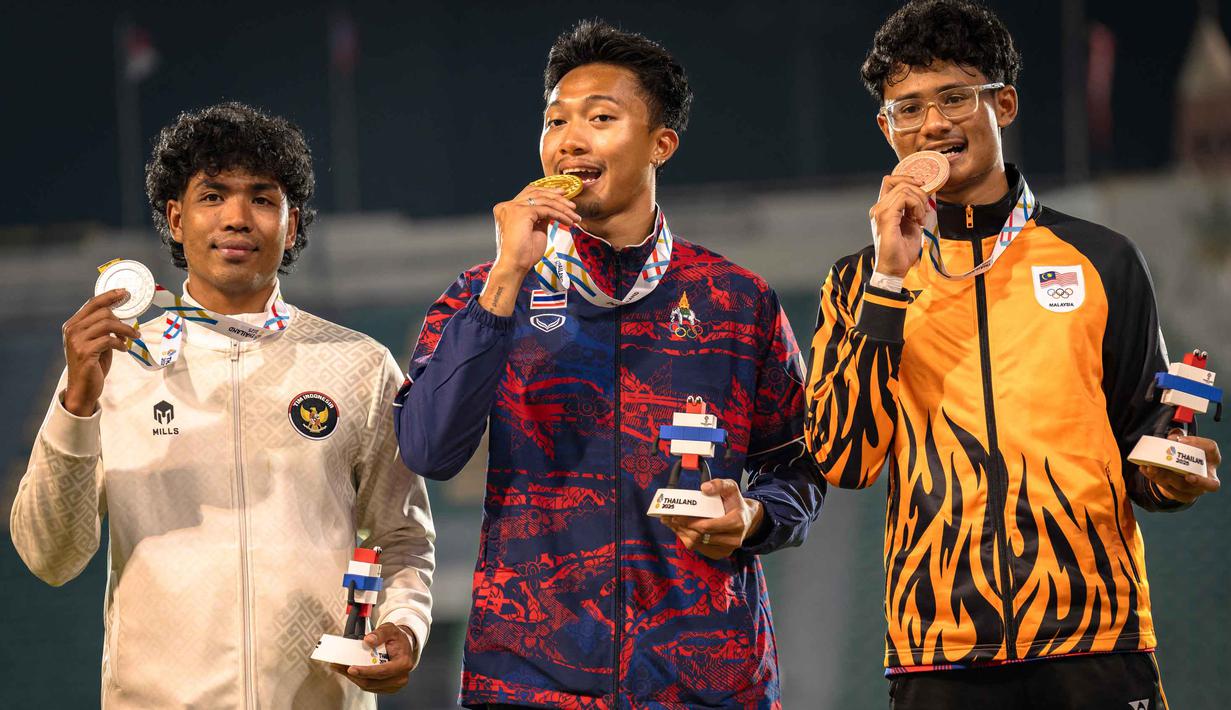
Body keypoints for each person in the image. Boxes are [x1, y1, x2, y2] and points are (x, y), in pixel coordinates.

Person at [394, 20, 823, 709]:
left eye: (600, 118)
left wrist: (751, 517)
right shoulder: (483, 294)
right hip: (529, 681)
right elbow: (428, 448)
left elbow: (796, 466)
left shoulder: (735, 301)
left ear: (660, 144)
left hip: (705, 682)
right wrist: (505, 279)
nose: (570, 138)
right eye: (555, 120)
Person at [804, 2, 1221, 708]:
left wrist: (1172, 473)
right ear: (886, 130)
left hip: (1096, 639)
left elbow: (1143, 443)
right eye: (906, 109)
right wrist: (887, 278)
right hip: (937, 648)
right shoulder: (857, 281)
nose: (931, 124)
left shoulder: (1102, 258)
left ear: (1003, 103)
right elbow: (844, 459)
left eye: (954, 98)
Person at [10, 102, 435, 709]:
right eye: (213, 196)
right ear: (177, 219)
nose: (237, 217)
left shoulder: (359, 365)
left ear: (291, 226)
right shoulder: (113, 362)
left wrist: (405, 626)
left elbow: (400, 537)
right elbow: (50, 556)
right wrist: (77, 402)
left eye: (262, 198)